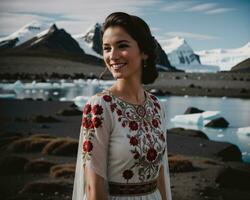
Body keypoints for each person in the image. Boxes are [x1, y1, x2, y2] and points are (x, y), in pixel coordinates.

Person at [72, 12, 172, 200]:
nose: (113, 56)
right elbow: (94, 189)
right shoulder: (100, 106)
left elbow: (160, 174)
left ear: (144, 52)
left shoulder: (156, 106)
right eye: (107, 48)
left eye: (122, 46)